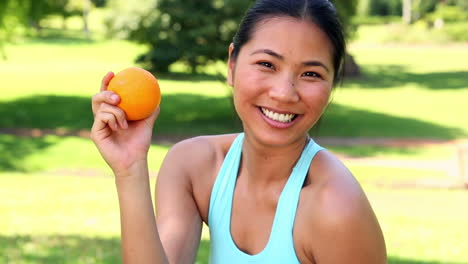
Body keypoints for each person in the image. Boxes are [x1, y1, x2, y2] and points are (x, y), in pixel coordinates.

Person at [91, 0, 387, 263]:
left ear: (332, 82)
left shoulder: (336, 207)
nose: (284, 93)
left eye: (311, 74)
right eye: (266, 64)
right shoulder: (195, 167)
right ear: (232, 64)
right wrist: (130, 170)